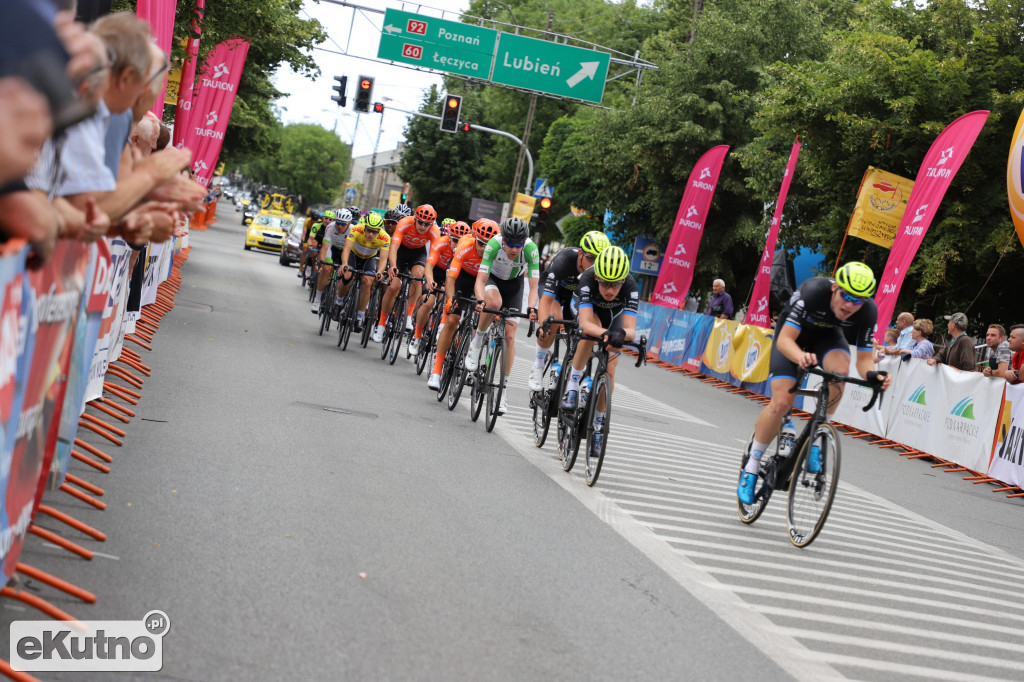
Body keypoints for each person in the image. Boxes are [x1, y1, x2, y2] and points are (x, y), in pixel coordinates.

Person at [737, 262, 892, 505]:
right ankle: (752, 466)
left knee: (840, 373)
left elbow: (863, 361)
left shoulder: (868, 311)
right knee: (781, 404)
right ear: (835, 288)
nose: (850, 304)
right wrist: (800, 357)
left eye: (858, 300)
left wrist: (872, 375)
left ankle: (817, 437)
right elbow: (785, 340)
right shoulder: (813, 292)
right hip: (792, 338)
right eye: (846, 295)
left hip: (827, 339)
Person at [559, 247, 639, 458]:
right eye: (604, 283)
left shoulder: (630, 285)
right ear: (596, 276)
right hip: (589, 311)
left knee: (611, 371)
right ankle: (572, 385)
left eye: (615, 284)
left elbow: (631, 329)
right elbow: (585, 324)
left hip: (614, 315)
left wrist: (620, 334)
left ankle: (597, 424)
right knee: (588, 335)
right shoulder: (587, 278)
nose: (610, 290)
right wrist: (608, 334)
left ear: (624, 280)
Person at [463, 216, 540, 415]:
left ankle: (502, 390)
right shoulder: (493, 245)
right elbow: (480, 281)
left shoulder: (531, 251)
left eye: (519, 245)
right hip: (493, 280)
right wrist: (481, 300)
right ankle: (477, 341)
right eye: (510, 244)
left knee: (510, 336)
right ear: (503, 239)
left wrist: (532, 308)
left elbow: (533, 288)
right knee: (494, 303)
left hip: (514, 286)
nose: (514, 249)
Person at [529, 230, 611, 390]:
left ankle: (570, 372)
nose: (594, 264)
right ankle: (538, 364)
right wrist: (543, 325)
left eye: (599, 259)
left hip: (577, 296)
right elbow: (546, 300)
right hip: (556, 291)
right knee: (554, 317)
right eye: (590, 258)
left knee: (583, 329)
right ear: (580, 253)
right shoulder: (565, 260)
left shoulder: (599, 272)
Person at [426, 219, 497, 391]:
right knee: (452, 320)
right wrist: (451, 300)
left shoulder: (496, 254)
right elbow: (451, 279)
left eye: (488, 245)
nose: (483, 248)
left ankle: (471, 357)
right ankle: (436, 371)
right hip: (462, 277)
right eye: (480, 243)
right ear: (474, 237)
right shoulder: (464, 245)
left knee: (485, 320)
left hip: (483, 280)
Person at [372, 203, 440, 342]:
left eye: (427, 224)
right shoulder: (405, 223)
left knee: (418, 275)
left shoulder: (435, 232)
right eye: (420, 222)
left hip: (417, 253)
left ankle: (408, 316)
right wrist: (392, 266)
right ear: (415, 219)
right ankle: (381, 324)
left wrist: (429, 278)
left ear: (431, 225)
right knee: (394, 287)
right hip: (400, 252)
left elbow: (432, 259)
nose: (422, 226)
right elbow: (394, 247)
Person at [410, 220, 470, 357]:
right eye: (454, 240)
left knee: (448, 301)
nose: (457, 244)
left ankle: (440, 326)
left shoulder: (466, 249)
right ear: (449, 238)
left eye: (460, 241)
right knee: (429, 302)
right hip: (437, 271)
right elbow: (429, 266)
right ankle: (417, 335)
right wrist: (430, 281)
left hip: (453, 276)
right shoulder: (441, 243)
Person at [338, 212, 390, 332]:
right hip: (354, 255)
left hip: (369, 259)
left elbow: (383, 259)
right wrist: (344, 264)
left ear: (379, 230)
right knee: (347, 274)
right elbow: (346, 249)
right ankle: (339, 301)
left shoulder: (385, 237)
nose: (371, 234)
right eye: (369, 230)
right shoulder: (356, 229)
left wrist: (380, 272)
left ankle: (360, 316)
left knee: (367, 283)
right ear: (364, 227)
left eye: (375, 231)